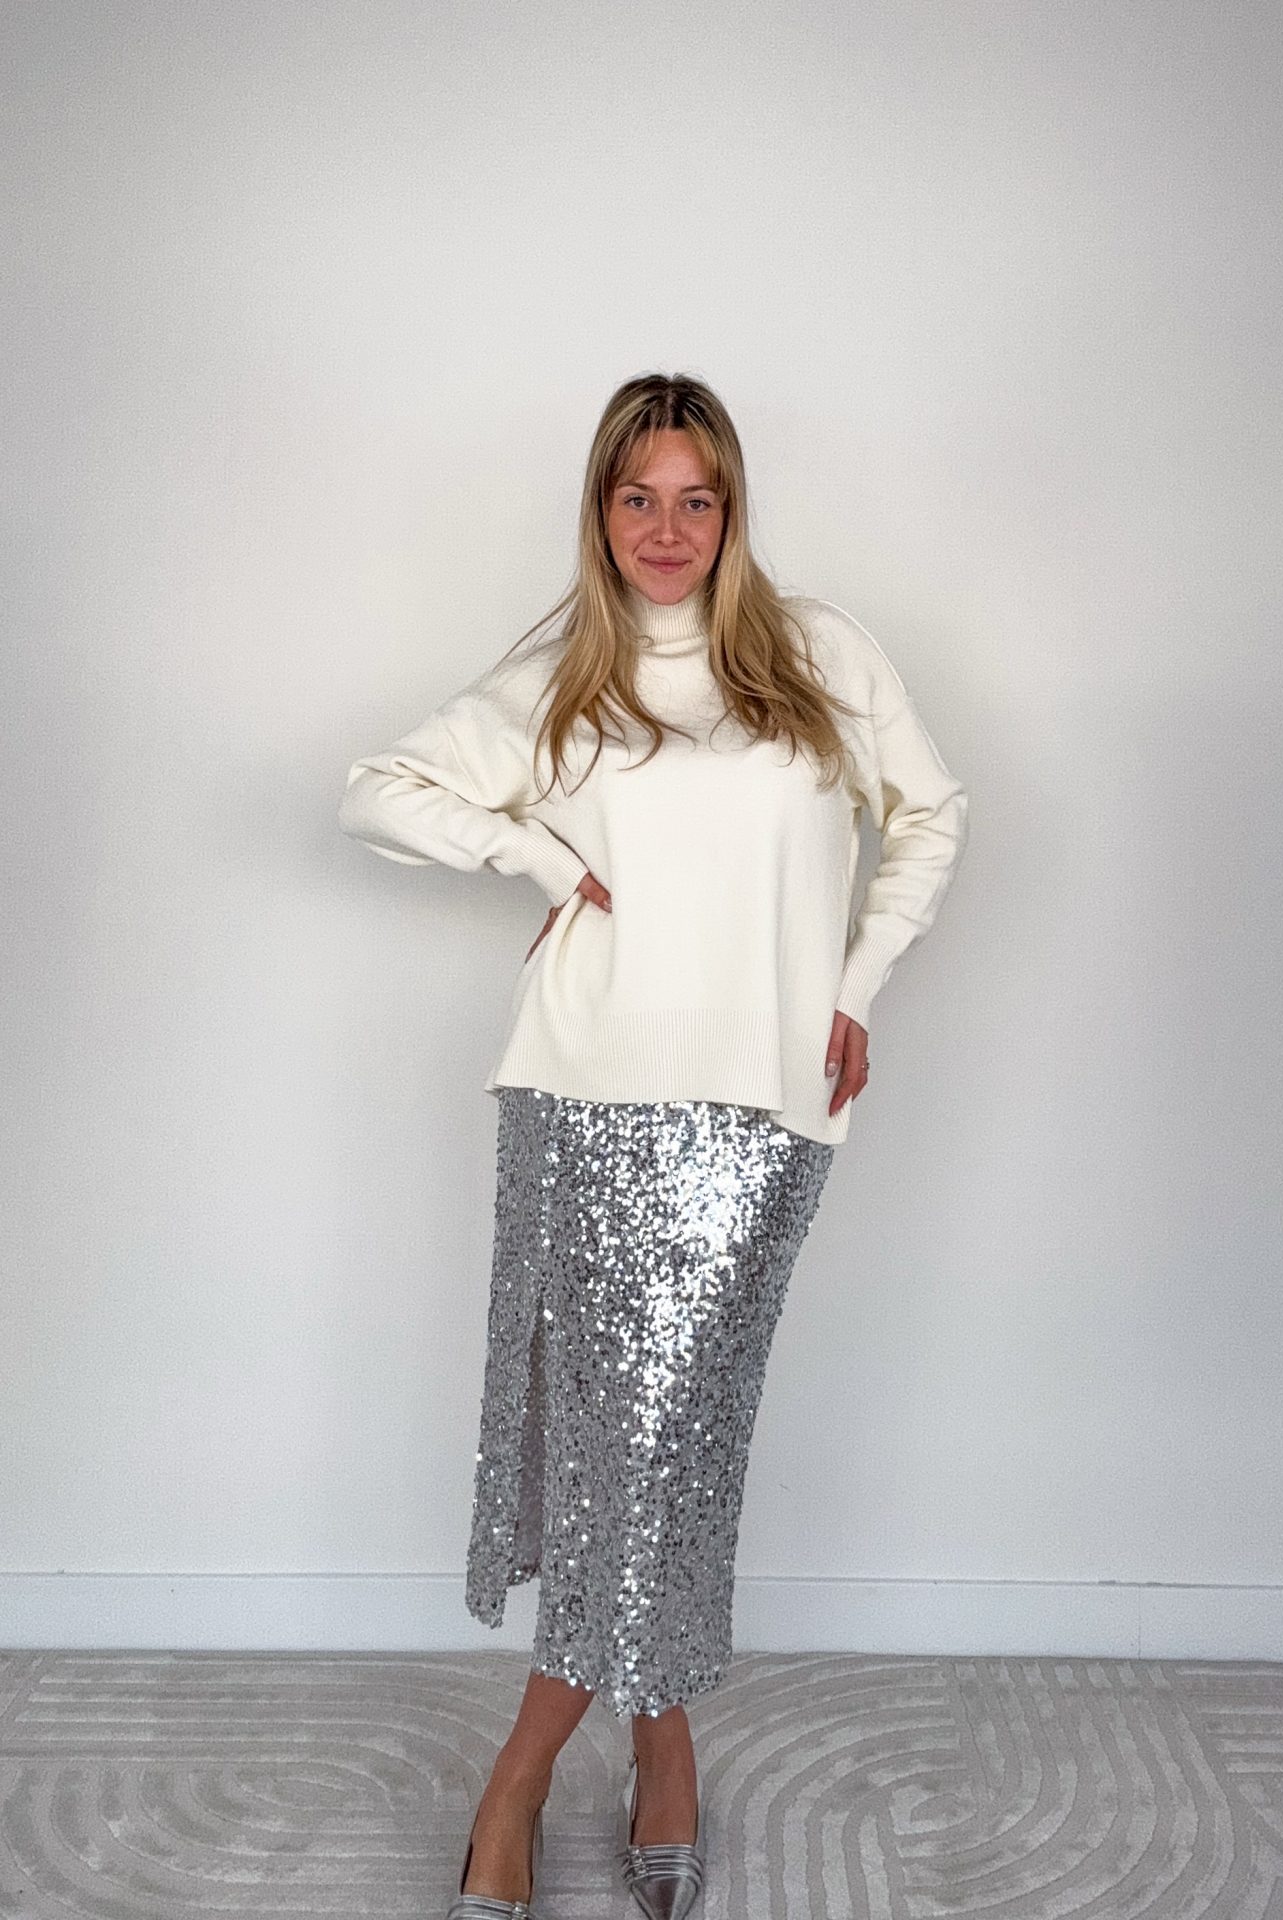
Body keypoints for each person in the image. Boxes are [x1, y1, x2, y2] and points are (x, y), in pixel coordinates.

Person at [337, 371, 968, 1920]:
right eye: (638, 498)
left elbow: (931, 815)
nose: (666, 528)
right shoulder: (566, 672)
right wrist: (534, 855)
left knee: (673, 1448)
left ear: (732, 509)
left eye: (696, 498)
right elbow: (376, 792)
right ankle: (646, 1754)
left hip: (761, 1110)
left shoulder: (818, 654)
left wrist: (857, 981)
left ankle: (536, 1769)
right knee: (622, 1458)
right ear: (601, 510)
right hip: (584, 1104)